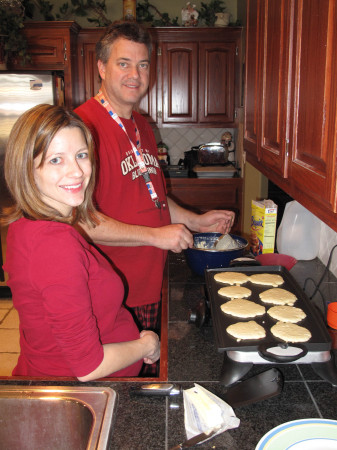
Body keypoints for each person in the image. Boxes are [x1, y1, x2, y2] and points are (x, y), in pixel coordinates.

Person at [75, 21, 235, 344]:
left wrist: (196, 220)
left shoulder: (142, 127)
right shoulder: (83, 129)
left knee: (149, 374)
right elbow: (81, 223)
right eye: (124, 64)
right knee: (126, 384)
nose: (135, 74)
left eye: (143, 64)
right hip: (112, 291)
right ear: (102, 68)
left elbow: (154, 198)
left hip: (148, 282)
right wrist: (155, 236)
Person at [2, 104, 160, 380]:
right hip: (79, 390)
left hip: (50, 377)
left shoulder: (27, 223)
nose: (76, 171)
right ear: (27, 168)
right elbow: (89, 367)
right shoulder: (54, 244)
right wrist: (146, 344)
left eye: (81, 155)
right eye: (56, 160)